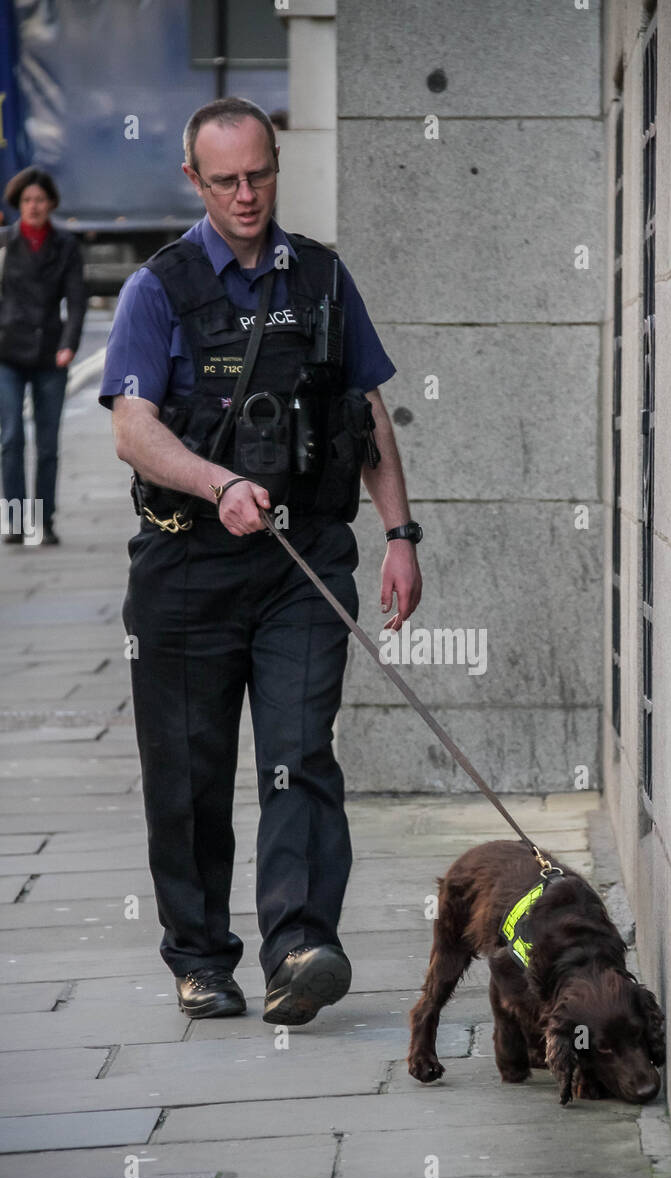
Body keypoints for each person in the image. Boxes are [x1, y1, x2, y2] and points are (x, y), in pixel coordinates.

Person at [100, 98, 423, 1024]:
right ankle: (201, 958)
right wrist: (215, 483)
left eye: (261, 174)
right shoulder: (157, 289)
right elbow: (132, 428)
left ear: (277, 166)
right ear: (194, 181)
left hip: (302, 564)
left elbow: (364, 414)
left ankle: (301, 947)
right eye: (226, 180)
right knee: (190, 774)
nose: (247, 195)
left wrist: (401, 535)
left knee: (299, 754)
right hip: (186, 567)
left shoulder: (321, 277)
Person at [0, 166, 87, 545]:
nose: (33, 206)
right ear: (18, 205)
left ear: (51, 203)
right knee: (11, 437)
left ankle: (44, 521)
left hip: (52, 355)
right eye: (26, 200)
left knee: (48, 444)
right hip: (6, 352)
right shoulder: (4, 243)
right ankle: (17, 522)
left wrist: (69, 343)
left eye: (39, 199)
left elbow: (77, 300)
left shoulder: (65, 246)